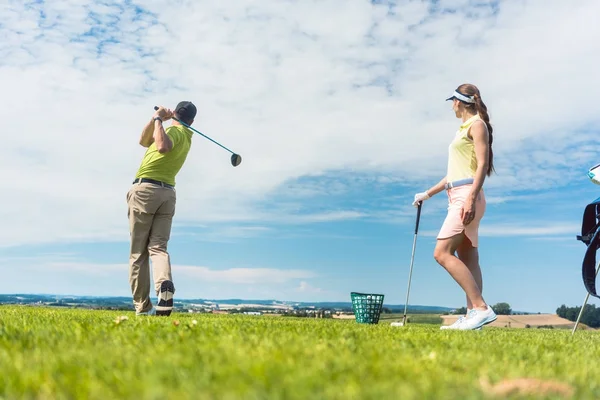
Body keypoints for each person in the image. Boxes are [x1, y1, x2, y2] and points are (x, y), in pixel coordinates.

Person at [412, 84, 497, 330]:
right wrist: (426, 194)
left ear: (460, 102)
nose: (451, 106)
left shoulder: (477, 125)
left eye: (453, 101)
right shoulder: (462, 129)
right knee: (469, 258)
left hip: (467, 196)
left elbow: (482, 165)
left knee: (441, 253)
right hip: (460, 193)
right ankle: (473, 316)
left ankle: (481, 308)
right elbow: (452, 175)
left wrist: (470, 198)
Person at [126, 101, 197, 316]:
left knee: (138, 252)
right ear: (192, 121)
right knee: (158, 248)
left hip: (146, 190)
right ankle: (164, 284)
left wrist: (159, 119)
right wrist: (156, 119)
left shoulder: (172, 133)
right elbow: (143, 141)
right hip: (168, 194)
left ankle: (143, 307)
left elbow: (162, 147)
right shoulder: (186, 135)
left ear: (175, 112)